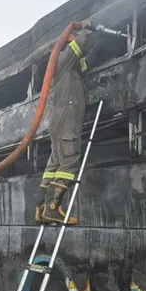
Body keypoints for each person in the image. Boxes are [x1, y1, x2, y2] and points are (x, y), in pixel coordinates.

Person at [35, 20, 96, 225]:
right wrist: (85, 30)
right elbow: (75, 49)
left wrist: (97, 49)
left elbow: (83, 64)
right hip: (67, 118)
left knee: (55, 162)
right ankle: (53, 209)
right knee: (70, 160)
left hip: (61, 118)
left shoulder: (69, 70)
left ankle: (41, 210)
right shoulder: (61, 60)